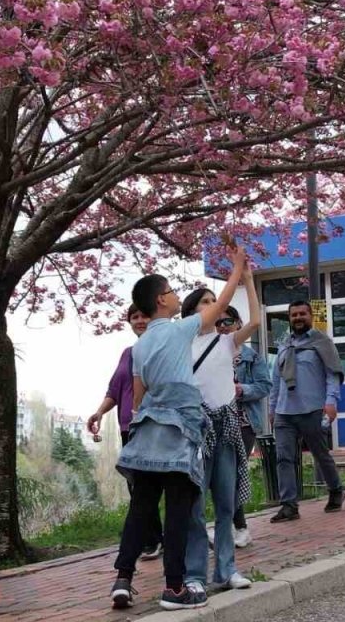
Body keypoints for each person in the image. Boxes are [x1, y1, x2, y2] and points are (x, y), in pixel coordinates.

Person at [110, 242, 248, 612]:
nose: (174, 295)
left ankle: (122, 579)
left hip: (147, 432)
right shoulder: (180, 329)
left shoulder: (139, 346)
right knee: (178, 509)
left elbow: (139, 398)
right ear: (161, 301)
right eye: (170, 291)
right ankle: (174, 588)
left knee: (140, 507)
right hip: (181, 432)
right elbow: (221, 305)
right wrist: (236, 268)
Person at [180, 273, 261, 592]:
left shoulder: (227, 341)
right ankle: (195, 575)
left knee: (226, 505)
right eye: (207, 302)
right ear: (191, 312)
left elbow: (255, 320)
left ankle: (227, 569)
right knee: (195, 506)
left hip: (226, 429)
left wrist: (249, 280)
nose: (216, 306)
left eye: (216, 301)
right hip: (196, 431)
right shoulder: (181, 343)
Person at [86, 304, 163, 559]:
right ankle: (153, 538)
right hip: (129, 428)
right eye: (135, 317)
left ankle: (155, 540)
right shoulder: (127, 354)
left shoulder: (162, 349)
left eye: (144, 316)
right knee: (136, 484)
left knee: (147, 485)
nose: (140, 320)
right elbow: (115, 391)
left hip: (154, 424)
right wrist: (99, 413)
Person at [268, 300, 345, 523]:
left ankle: (336, 489)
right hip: (284, 412)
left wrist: (331, 403)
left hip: (312, 409)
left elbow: (332, 375)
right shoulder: (284, 346)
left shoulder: (322, 342)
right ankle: (289, 505)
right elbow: (276, 380)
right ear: (289, 319)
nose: (298, 318)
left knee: (320, 454)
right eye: (294, 315)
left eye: (302, 314)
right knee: (283, 458)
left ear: (310, 316)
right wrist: (272, 409)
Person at [215, 305, 271, 547]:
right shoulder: (212, 355)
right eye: (217, 323)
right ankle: (229, 525)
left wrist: (242, 390)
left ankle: (240, 527)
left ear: (238, 324)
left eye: (226, 322)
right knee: (220, 476)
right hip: (216, 421)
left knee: (234, 473)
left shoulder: (251, 357)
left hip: (244, 422)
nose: (222, 327)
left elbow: (265, 386)